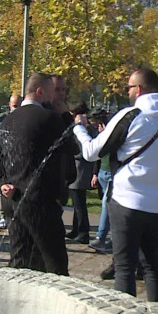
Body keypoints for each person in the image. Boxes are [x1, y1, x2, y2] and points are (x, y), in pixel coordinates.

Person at [72, 69, 158, 302]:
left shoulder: (133, 115)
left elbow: (92, 152)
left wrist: (79, 129)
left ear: (139, 89)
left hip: (127, 201)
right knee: (153, 266)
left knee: (124, 267)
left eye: (128, 88)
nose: (127, 92)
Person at [0, 73, 74, 275]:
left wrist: (2, 183)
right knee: (54, 263)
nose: (54, 96)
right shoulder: (50, 118)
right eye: (51, 91)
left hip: (12, 201)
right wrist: (66, 116)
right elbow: (74, 147)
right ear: (40, 91)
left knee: (20, 260)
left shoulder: (7, 120)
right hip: (40, 203)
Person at [66, 102, 96, 244]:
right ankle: (76, 228)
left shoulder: (83, 129)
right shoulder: (85, 127)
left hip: (79, 168)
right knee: (77, 201)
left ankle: (83, 232)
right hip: (80, 167)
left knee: (79, 203)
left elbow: (79, 147)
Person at [0, 94, 21, 229]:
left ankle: (15, 215)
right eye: (14, 106)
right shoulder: (3, 118)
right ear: (9, 105)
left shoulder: (24, 119)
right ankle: (3, 215)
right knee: (3, 186)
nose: (16, 109)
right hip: (3, 157)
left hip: (17, 158)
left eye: (18, 106)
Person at [88, 109, 113, 254]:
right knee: (108, 205)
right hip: (103, 171)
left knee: (106, 204)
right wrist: (95, 173)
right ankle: (110, 238)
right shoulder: (100, 132)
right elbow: (96, 153)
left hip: (111, 172)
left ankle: (101, 237)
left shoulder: (111, 131)